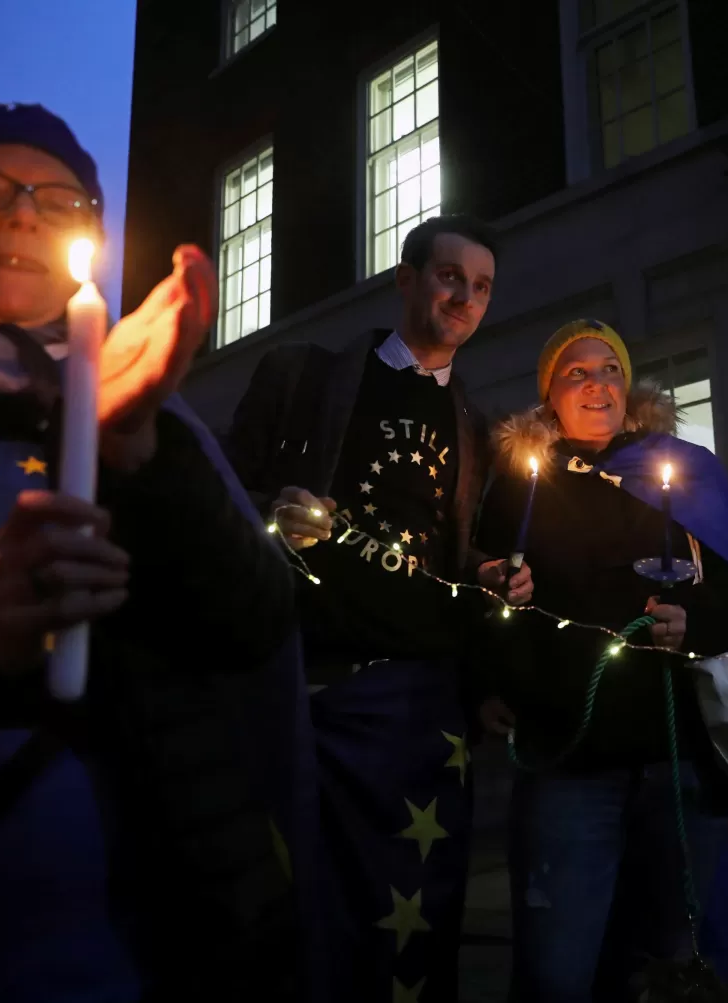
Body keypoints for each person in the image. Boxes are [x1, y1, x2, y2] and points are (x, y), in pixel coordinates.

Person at [0, 98, 299, 1001]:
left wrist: (140, 448)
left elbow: (254, 626)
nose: (24, 213)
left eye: (59, 200)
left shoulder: (142, 403)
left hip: (155, 933)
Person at [225, 214, 513, 1001]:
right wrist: (270, 510)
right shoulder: (304, 377)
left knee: (416, 928)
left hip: (426, 709)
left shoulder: (481, 431)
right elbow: (220, 497)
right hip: (314, 688)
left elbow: (467, 562)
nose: (465, 297)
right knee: (304, 914)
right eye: (451, 275)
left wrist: (492, 578)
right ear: (407, 279)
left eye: (481, 286)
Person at [474, 320, 728, 1000]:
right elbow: (478, 597)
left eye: (608, 369)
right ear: (549, 397)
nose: (596, 383)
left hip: (675, 763)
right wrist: (497, 618)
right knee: (559, 971)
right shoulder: (521, 487)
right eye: (575, 373)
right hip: (569, 762)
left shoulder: (678, 472)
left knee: (664, 964)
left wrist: (691, 621)